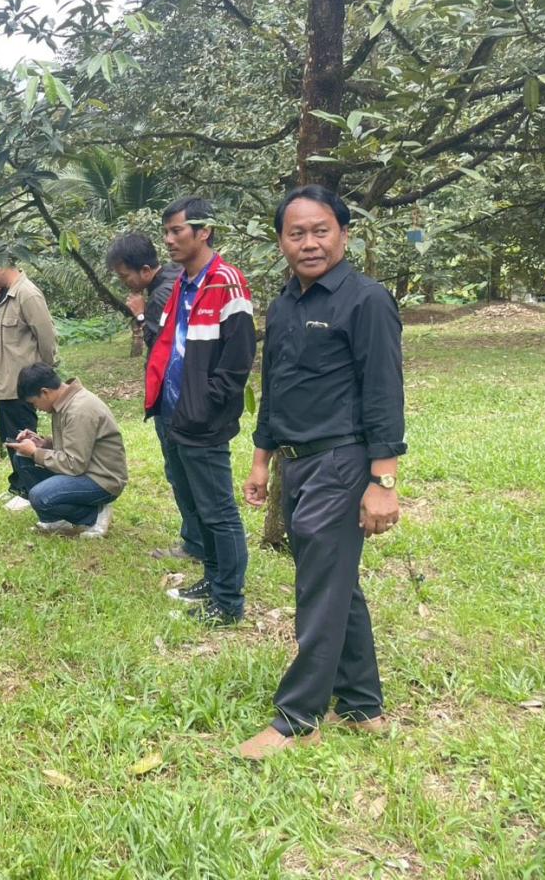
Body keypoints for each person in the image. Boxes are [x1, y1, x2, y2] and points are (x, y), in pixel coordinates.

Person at [239, 184, 405, 761]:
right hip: (298, 462)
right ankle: (362, 706)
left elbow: (384, 393)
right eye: (296, 233)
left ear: (344, 233)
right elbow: (278, 388)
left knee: (319, 589)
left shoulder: (366, 301)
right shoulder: (285, 303)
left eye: (321, 231)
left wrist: (382, 481)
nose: (309, 243)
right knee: (335, 582)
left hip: (343, 461)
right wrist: (262, 458)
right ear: (281, 240)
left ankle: (298, 717)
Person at [144, 197, 256, 625]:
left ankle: (228, 602)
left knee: (218, 509)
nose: (169, 240)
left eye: (177, 231)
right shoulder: (182, 283)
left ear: (203, 231)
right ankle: (211, 578)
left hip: (202, 416)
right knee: (196, 503)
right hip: (173, 411)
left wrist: (208, 406)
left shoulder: (227, 282)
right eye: (167, 232)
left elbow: (238, 359)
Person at [104, 230, 198, 563]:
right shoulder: (178, 277)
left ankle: (194, 543)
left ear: (145, 270)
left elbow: (163, 345)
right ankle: (198, 538)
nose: (124, 282)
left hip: (173, 397)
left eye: (125, 275)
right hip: (182, 395)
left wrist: (141, 314)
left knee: (180, 469)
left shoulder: (160, 295)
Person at [5, 363, 127, 539]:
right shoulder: (64, 402)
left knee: (40, 497)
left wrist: (35, 452)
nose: (36, 408)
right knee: (22, 457)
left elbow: (74, 464)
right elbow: (76, 446)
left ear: (45, 392)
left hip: (102, 479)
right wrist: (42, 443)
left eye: (34, 403)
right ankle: (57, 520)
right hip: (86, 469)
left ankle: (94, 517)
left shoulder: (79, 410)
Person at [0, 259, 58, 510]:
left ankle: (31, 490)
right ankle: (19, 484)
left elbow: (47, 336)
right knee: (10, 435)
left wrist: (43, 374)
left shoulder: (27, 294)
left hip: (22, 381)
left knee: (23, 434)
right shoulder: (0, 297)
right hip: (3, 379)